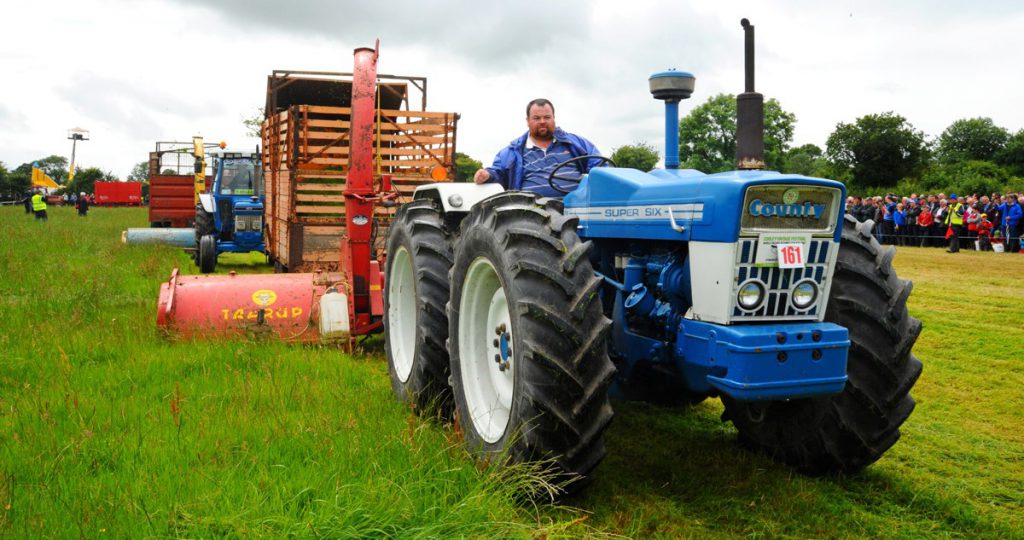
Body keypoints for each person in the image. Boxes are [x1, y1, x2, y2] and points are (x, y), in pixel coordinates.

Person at [474, 98, 602, 197]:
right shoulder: (511, 152)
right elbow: (498, 172)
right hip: (531, 213)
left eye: (547, 117)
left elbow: (599, 165)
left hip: (577, 208)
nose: (542, 121)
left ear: (554, 118)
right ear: (527, 120)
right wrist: (487, 175)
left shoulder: (577, 143)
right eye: (536, 118)